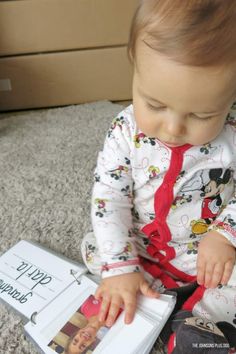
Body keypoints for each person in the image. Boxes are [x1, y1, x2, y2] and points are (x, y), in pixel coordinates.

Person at [81, 0, 236, 352]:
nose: (172, 128)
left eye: (201, 114)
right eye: (154, 104)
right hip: (144, 248)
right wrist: (120, 267)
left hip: (207, 253)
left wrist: (226, 235)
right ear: (134, 67)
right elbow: (109, 196)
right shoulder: (125, 131)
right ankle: (136, 285)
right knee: (97, 246)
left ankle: (200, 326)